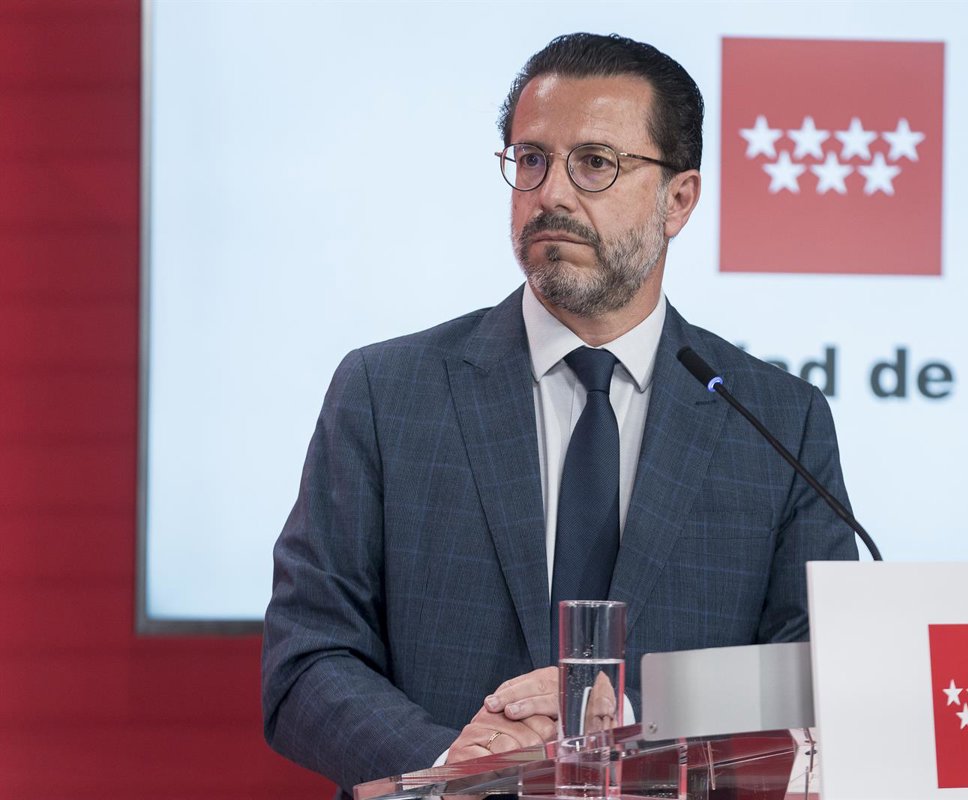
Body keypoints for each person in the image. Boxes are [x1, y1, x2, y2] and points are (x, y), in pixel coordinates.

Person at [261, 32, 857, 796]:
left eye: (595, 163)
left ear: (678, 200)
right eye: (532, 160)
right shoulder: (387, 393)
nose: (551, 195)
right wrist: (455, 770)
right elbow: (307, 658)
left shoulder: (775, 420)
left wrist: (633, 726)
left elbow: (816, 680)